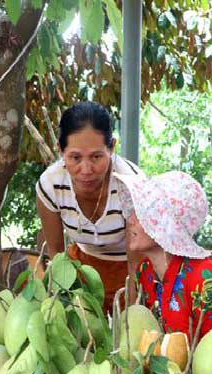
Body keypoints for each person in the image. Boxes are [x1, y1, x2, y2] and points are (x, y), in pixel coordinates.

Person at [36, 102, 143, 312]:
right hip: (80, 273)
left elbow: (136, 262)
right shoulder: (50, 184)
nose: (86, 169)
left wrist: (133, 314)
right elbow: (56, 252)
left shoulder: (131, 184)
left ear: (111, 147)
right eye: (75, 157)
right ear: (60, 150)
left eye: (96, 157)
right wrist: (62, 303)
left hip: (128, 273)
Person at [116, 170, 212, 339]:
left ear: (163, 224)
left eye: (141, 213)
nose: (131, 220)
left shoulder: (207, 279)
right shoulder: (145, 272)